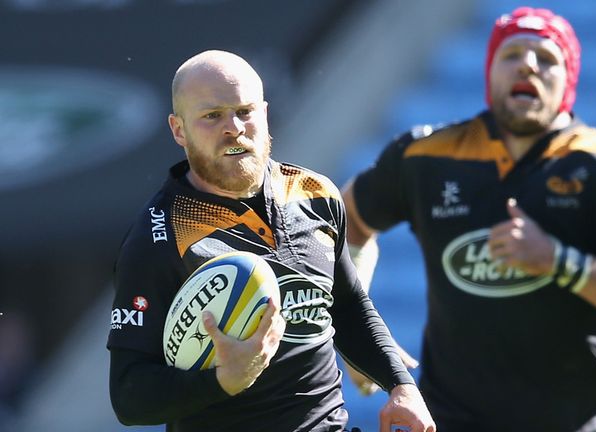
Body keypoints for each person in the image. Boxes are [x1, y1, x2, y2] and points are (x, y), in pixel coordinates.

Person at [341, 6, 596, 432]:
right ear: (489, 73)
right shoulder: (425, 156)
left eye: (547, 58)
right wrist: (359, 333)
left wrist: (559, 261)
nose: (528, 64)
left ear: (569, 80)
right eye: (512, 54)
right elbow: (344, 219)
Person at [107, 50, 435, 432]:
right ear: (178, 129)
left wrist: (401, 386)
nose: (234, 127)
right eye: (212, 116)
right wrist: (222, 381)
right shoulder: (158, 237)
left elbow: (347, 306)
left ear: (264, 113)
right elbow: (129, 398)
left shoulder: (316, 194)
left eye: (244, 111)